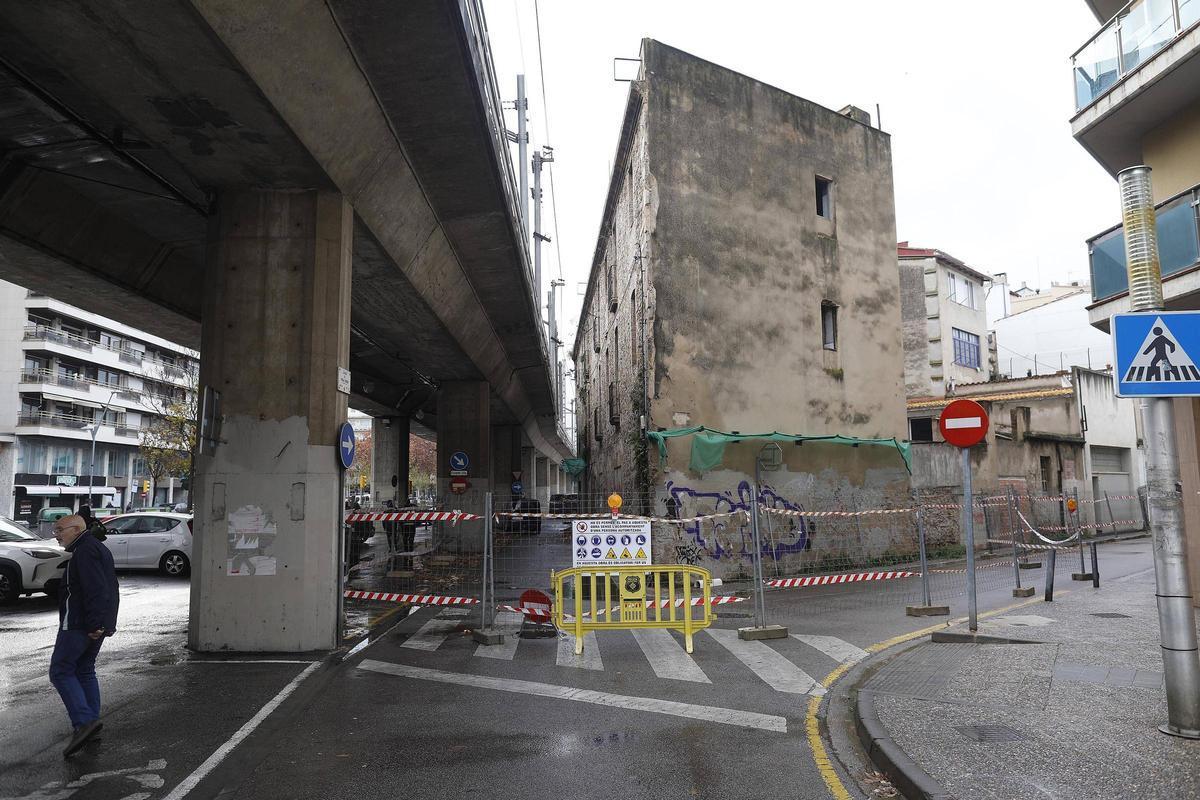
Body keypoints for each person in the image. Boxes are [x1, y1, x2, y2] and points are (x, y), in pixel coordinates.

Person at [50, 514, 119, 758]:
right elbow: (110, 588)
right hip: (92, 622)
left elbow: (96, 589)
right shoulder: (95, 548)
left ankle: (84, 722)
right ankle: (91, 723)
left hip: (79, 623)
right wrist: (104, 623)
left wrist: (95, 623)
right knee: (84, 669)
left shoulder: (85, 551)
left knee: (60, 670)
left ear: (76, 529)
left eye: (60, 529)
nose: (56, 534)